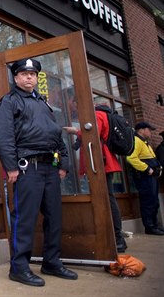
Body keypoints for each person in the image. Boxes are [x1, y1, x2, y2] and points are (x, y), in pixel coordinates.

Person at [0, 59, 78, 287]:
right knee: (25, 220)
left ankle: (51, 262)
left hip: (50, 168)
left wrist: (64, 163)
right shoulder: (9, 102)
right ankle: (19, 268)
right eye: (24, 73)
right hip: (27, 168)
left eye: (32, 73)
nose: (29, 77)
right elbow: (2, 136)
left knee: (54, 218)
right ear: (16, 77)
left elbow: (56, 135)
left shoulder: (43, 103)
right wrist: (10, 165)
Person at [64, 104, 127, 252]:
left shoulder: (98, 115)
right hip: (104, 162)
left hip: (100, 163)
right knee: (107, 197)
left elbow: (92, 134)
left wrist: (75, 131)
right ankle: (115, 236)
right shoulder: (106, 115)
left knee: (106, 198)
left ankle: (116, 237)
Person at [126, 122, 164, 235]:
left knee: (154, 201)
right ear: (141, 130)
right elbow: (131, 158)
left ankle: (155, 225)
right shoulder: (137, 141)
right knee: (148, 202)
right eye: (149, 129)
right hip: (145, 177)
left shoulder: (144, 142)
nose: (150, 132)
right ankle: (150, 227)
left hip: (151, 177)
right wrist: (147, 169)